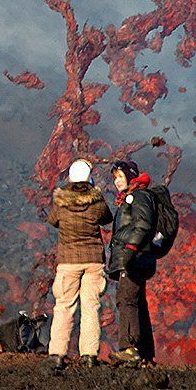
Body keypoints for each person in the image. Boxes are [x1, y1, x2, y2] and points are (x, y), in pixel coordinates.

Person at [46, 158, 113, 371]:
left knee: (64, 307)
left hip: (68, 262)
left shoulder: (60, 203)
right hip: (94, 260)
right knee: (91, 307)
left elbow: (53, 221)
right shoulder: (97, 202)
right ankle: (89, 355)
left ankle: (57, 354)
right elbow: (107, 218)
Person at [107, 160, 156, 364]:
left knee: (126, 299)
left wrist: (130, 249)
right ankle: (144, 352)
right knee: (137, 302)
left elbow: (143, 224)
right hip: (137, 258)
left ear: (130, 175)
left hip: (133, 258)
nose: (117, 181)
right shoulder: (131, 197)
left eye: (120, 176)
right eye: (115, 178)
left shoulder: (137, 196)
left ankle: (129, 348)